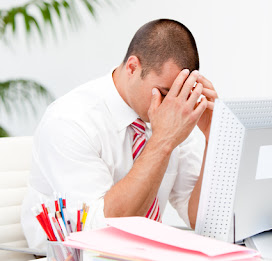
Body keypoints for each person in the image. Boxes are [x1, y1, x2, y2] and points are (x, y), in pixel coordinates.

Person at [21, 18, 218, 250]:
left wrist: (213, 138)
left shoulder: (170, 115)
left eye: (180, 94)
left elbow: (197, 216)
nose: (172, 106)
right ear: (133, 68)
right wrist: (162, 140)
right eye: (165, 93)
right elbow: (101, 232)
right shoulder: (69, 120)